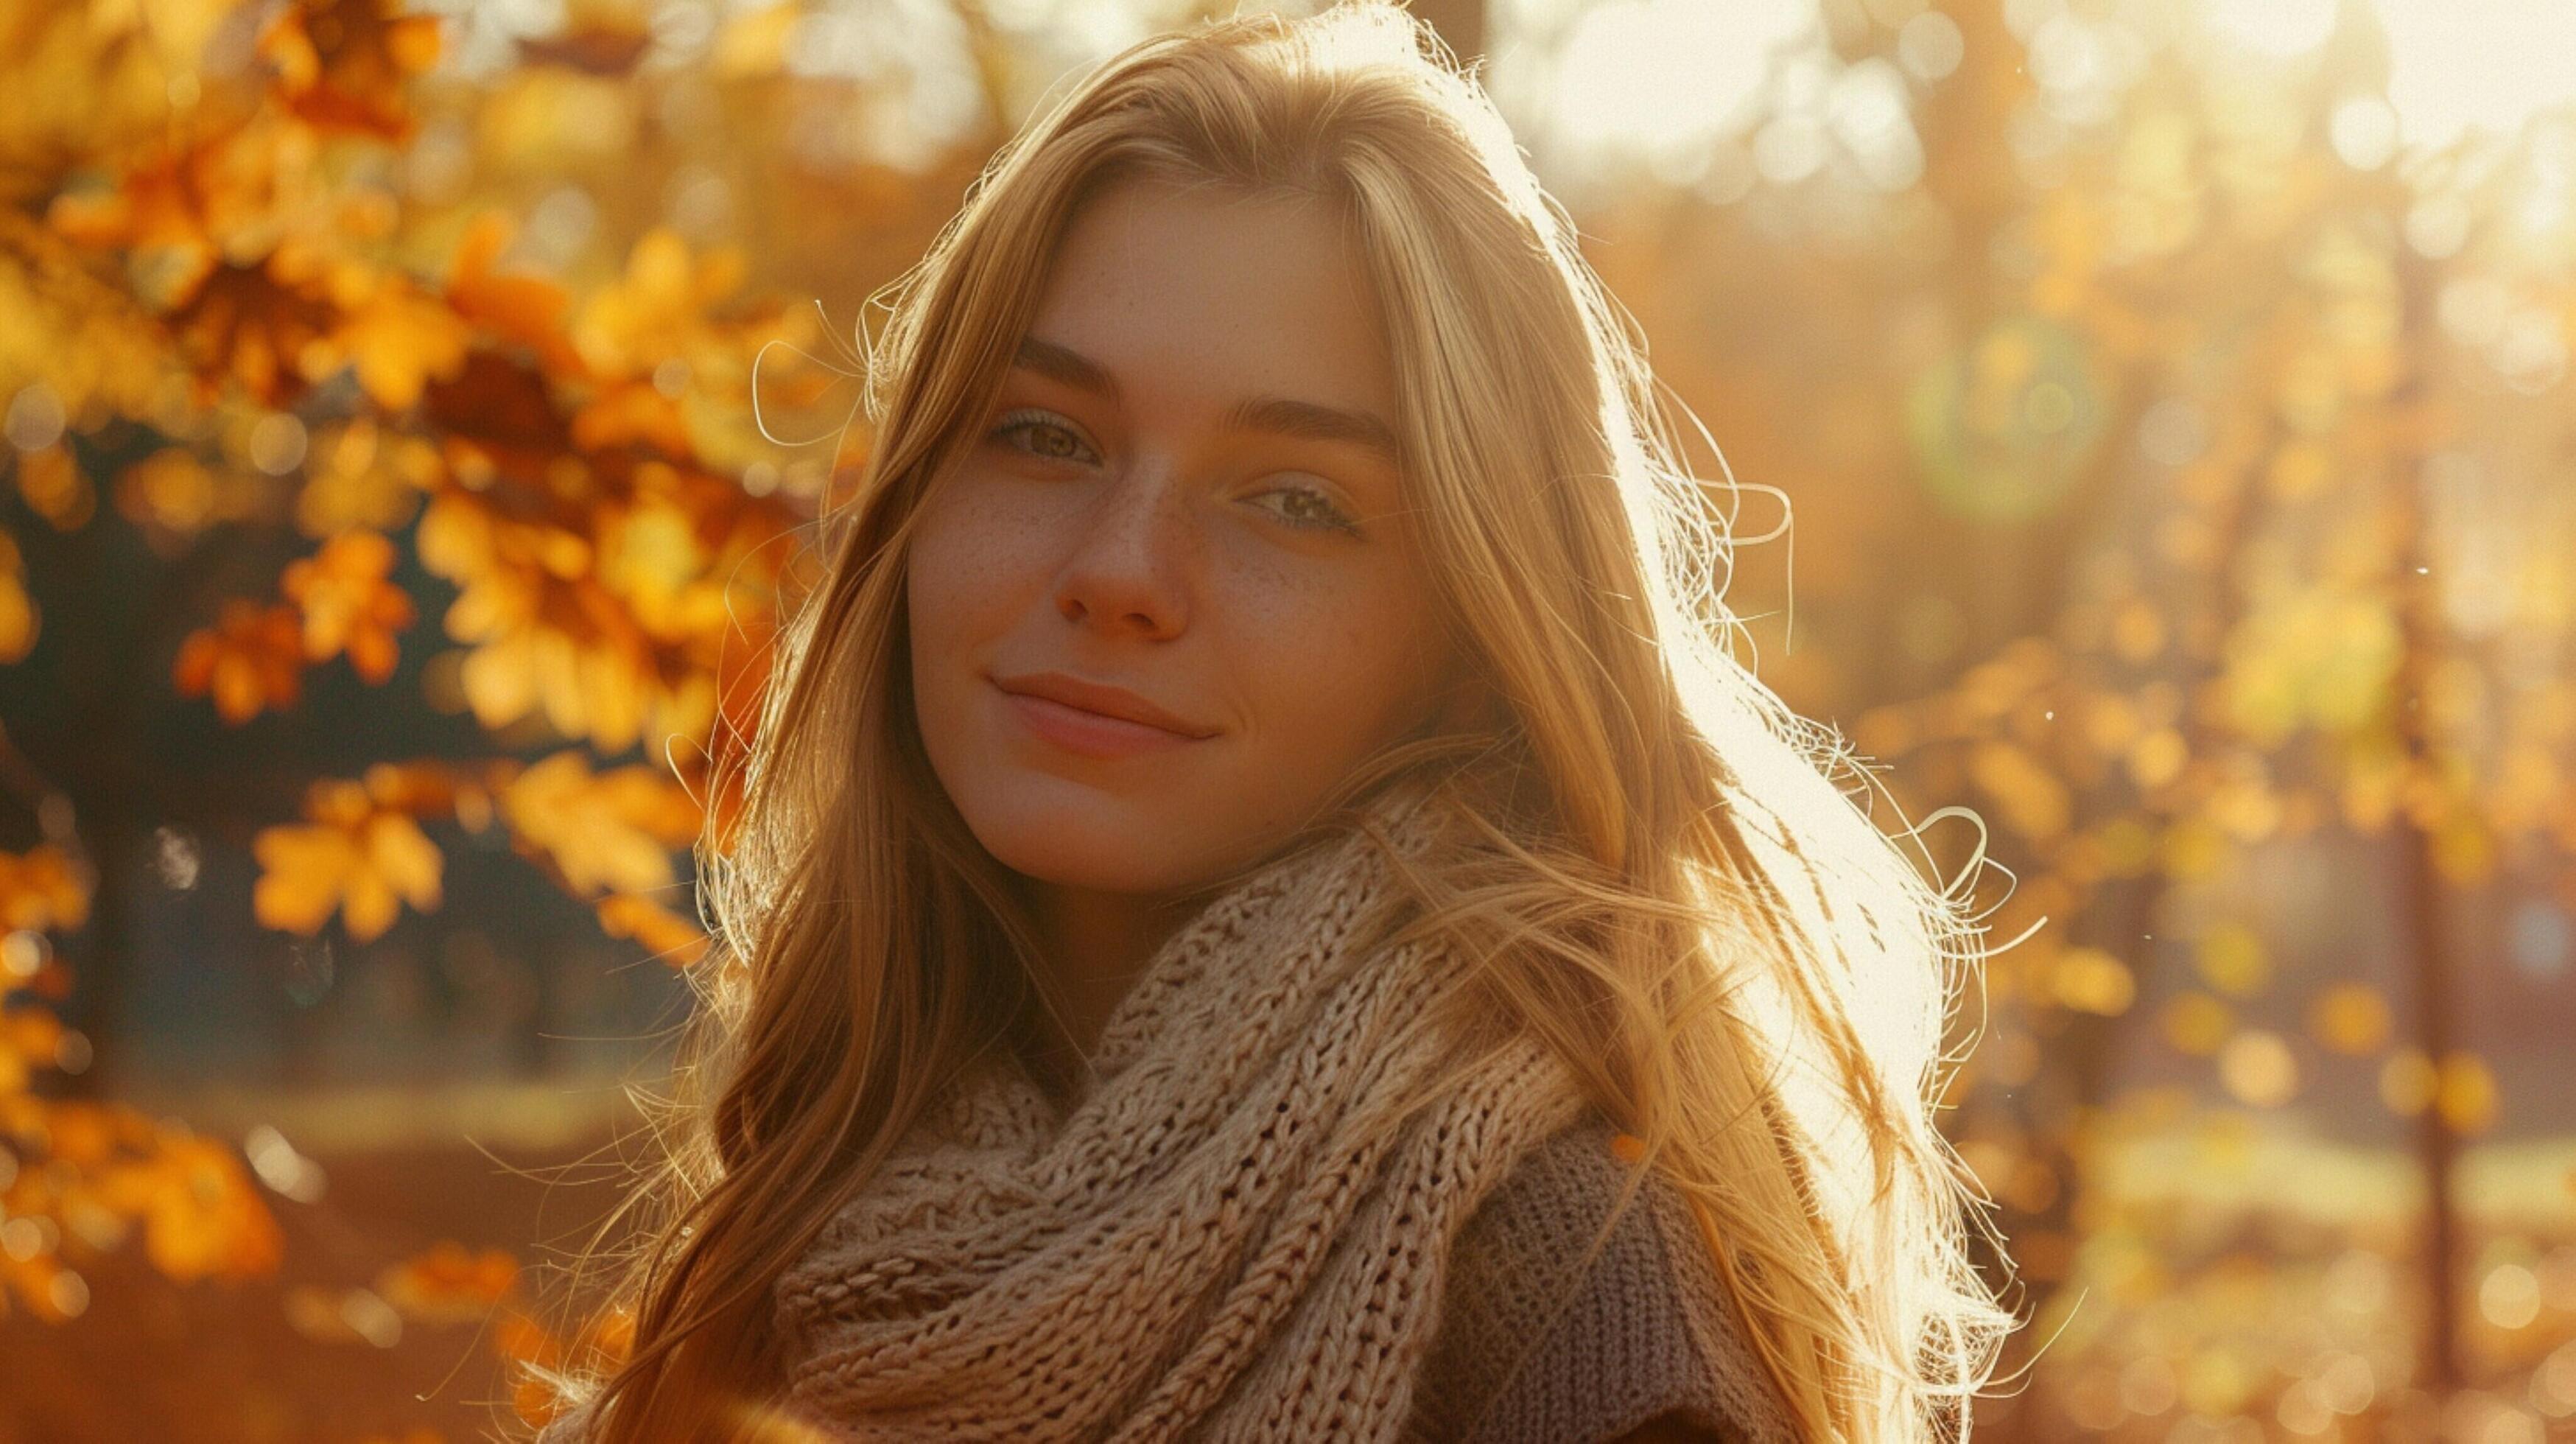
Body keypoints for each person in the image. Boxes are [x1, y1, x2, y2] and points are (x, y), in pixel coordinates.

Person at [526, 4, 2018, 1440]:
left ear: (1473, 629)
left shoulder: (1576, 1316)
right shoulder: (833, 1202)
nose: (1118, 572)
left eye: (1294, 500)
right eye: (1045, 435)